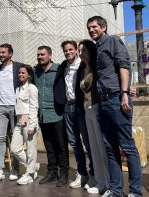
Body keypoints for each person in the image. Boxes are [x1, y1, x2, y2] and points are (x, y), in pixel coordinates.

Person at [87, 16, 142, 197]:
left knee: (127, 146)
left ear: (103, 27)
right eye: (89, 28)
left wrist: (125, 93)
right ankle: (116, 190)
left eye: (94, 27)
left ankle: (135, 192)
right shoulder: (97, 48)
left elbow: (123, 66)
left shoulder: (112, 41)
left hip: (117, 99)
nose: (91, 30)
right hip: (103, 102)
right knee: (110, 148)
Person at [54, 40, 94, 189]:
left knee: (88, 142)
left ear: (76, 50)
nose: (68, 52)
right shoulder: (63, 66)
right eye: (65, 50)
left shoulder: (83, 65)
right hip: (67, 107)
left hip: (81, 107)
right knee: (74, 142)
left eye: (71, 49)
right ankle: (81, 173)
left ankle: (93, 174)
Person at [78, 39, 110, 194]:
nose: (80, 53)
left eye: (83, 50)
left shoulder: (97, 68)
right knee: (94, 148)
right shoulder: (84, 68)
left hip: (97, 107)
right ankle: (99, 180)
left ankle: (108, 182)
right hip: (87, 109)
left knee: (101, 147)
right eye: (79, 50)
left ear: (90, 51)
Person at [34, 46, 69, 187]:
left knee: (61, 146)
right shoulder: (35, 71)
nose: (40, 57)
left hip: (57, 114)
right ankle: (52, 172)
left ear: (50, 55)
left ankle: (64, 173)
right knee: (49, 146)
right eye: (38, 55)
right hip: (42, 115)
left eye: (43, 54)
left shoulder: (59, 69)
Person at [0, 43, 23, 182]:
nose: (1, 54)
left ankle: (15, 169)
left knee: (16, 140)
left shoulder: (18, 67)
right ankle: (0, 169)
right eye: (0, 52)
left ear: (10, 54)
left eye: (3, 52)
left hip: (16, 107)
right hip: (2, 107)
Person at [10, 65, 40, 185]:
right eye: (19, 73)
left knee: (31, 149)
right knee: (14, 148)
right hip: (19, 121)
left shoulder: (32, 88)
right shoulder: (18, 89)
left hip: (29, 121)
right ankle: (32, 166)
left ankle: (30, 174)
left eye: (23, 73)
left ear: (29, 75)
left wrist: (32, 125)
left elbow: (34, 107)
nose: (20, 74)